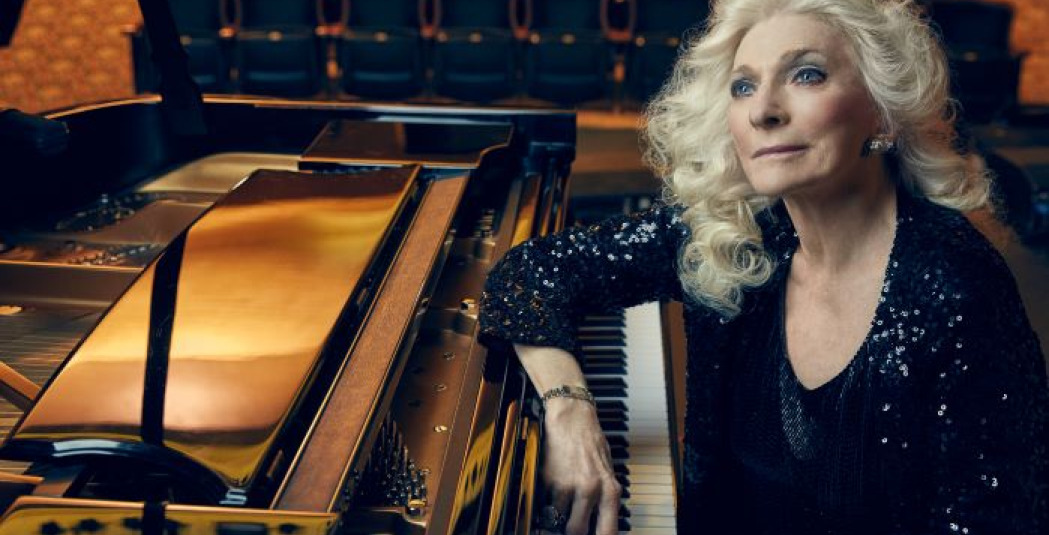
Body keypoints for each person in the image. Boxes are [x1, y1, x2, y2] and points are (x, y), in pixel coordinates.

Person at [478, 0, 1049, 534]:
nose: (764, 111)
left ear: (882, 113)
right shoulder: (736, 234)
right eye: (743, 86)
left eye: (807, 75)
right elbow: (530, 272)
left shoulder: (957, 287)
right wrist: (569, 409)